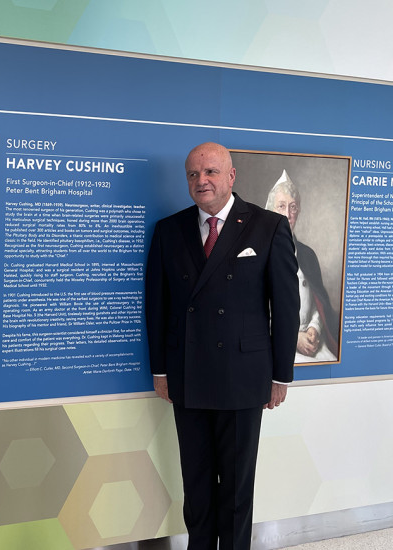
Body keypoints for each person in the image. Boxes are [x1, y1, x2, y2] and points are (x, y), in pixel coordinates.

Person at [145, 142, 299, 549]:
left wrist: (281, 375)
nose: (202, 181)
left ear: (231, 176)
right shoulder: (169, 230)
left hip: (244, 379)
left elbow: (285, 308)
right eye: (194, 175)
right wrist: (159, 371)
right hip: (187, 376)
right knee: (196, 487)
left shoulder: (268, 227)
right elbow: (156, 308)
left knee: (235, 491)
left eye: (211, 172)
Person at [265, 170, 338, 363]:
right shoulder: (259, 254)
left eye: (293, 207)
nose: (287, 214)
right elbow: (254, 310)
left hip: (311, 341)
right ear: (271, 210)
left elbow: (317, 303)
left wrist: (315, 328)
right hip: (273, 342)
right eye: (281, 206)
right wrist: (293, 338)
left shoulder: (307, 254)